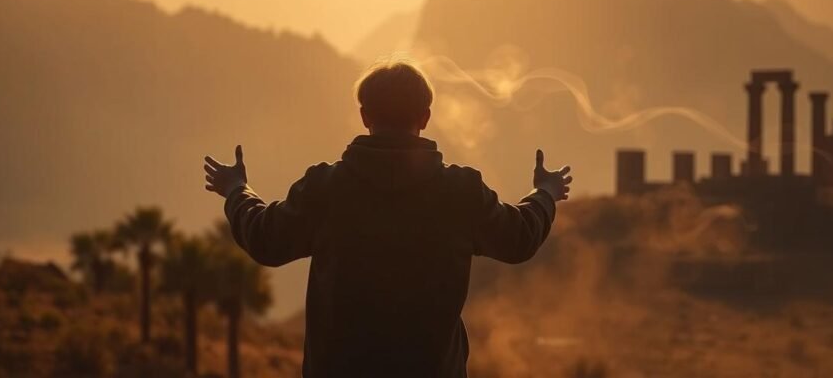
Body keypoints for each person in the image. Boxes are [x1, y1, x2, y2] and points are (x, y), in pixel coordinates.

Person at [203, 59, 572, 378]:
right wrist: (547, 192)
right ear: (425, 118)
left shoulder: (326, 188)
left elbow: (266, 240)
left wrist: (237, 190)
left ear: (364, 116)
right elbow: (520, 237)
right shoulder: (461, 192)